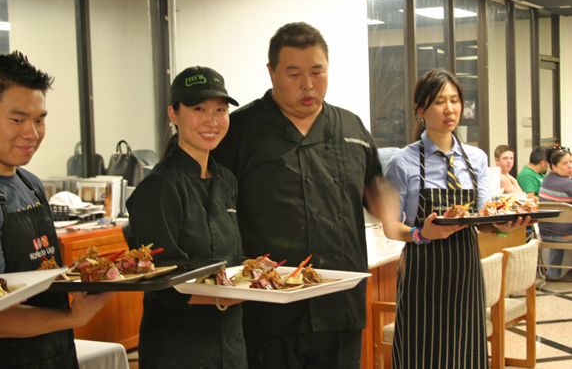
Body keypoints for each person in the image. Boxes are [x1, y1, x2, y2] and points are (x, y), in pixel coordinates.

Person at [211, 22, 398, 369]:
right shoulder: (238, 133)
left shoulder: (352, 128)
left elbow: (375, 191)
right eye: (294, 74)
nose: (308, 85)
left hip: (340, 308)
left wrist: (390, 209)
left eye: (317, 72)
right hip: (267, 312)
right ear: (271, 72)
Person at [384, 69, 532, 368]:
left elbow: (482, 218)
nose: (450, 109)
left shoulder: (475, 158)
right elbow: (390, 226)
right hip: (421, 274)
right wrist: (420, 234)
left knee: (465, 353)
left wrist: (505, 225)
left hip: (465, 270)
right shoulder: (403, 161)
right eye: (440, 101)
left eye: (455, 100)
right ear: (420, 110)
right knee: (420, 353)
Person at [126, 66, 247, 369]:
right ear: (173, 114)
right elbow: (160, 279)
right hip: (177, 351)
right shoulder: (157, 188)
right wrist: (229, 296)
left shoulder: (227, 181)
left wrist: (253, 271)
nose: (212, 120)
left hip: (230, 346)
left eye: (220, 110)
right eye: (199, 109)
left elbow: (230, 259)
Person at [0, 51, 115, 368]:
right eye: (17, 119)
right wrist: (72, 316)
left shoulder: (31, 184)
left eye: (39, 120)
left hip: (57, 355)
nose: (32, 133)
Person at [538, 144, 572, 280]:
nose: (570, 166)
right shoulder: (566, 183)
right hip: (563, 236)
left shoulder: (546, 179)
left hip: (546, 234)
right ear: (554, 166)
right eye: (565, 163)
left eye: (571, 161)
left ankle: (553, 273)